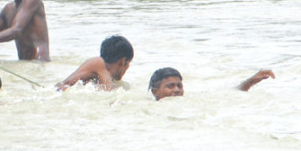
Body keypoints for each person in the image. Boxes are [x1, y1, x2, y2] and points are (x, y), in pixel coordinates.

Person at [55, 35, 134, 91]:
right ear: (123, 61)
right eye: (129, 63)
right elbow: (106, 93)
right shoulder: (99, 64)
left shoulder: (101, 71)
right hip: (59, 90)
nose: (128, 67)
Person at [148, 67, 276, 100]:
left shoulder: (191, 101)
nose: (177, 90)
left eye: (179, 86)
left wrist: (251, 81)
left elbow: (229, 93)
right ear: (155, 91)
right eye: (170, 86)